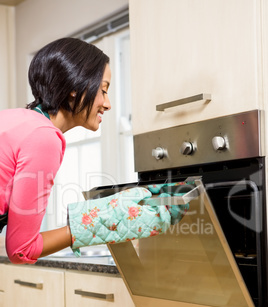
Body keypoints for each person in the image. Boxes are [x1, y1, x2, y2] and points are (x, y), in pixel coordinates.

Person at [0, 37, 186, 265]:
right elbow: (21, 249)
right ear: (74, 89)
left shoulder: (14, 120)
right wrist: (98, 222)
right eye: (104, 90)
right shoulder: (43, 138)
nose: (108, 104)